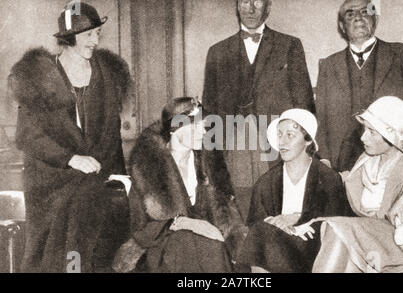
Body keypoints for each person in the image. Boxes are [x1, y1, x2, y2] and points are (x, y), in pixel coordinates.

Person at [9, 2, 131, 272]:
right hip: (52, 182)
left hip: (97, 181)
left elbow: (112, 135)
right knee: (58, 257)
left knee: (101, 247)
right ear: (69, 37)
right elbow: (27, 135)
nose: (96, 41)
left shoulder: (107, 74)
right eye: (89, 35)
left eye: (98, 34)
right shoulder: (39, 77)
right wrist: (71, 159)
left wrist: (120, 176)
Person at [202, 0, 314, 221]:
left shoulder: (289, 46)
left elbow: (304, 104)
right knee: (239, 211)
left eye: (257, 2)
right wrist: (212, 159)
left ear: (268, 8)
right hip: (233, 146)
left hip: (276, 143)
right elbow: (209, 110)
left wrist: (304, 149)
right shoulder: (217, 51)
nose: (251, 8)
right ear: (237, 6)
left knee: (275, 208)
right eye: (245, 1)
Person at [311, 96, 403, 273]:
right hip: (378, 236)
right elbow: (338, 186)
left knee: (337, 228)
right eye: (364, 129)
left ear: (390, 135)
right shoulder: (365, 161)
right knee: (345, 255)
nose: (363, 137)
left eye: (371, 131)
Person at [112, 97, 246, 273]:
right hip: (162, 247)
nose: (203, 132)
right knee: (192, 242)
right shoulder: (149, 168)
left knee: (211, 246)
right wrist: (184, 223)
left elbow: (228, 216)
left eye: (204, 126)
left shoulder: (208, 164)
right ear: (176, 128)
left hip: (210, 244)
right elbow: (141, 229)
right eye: (195, 126)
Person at [315, 0, 403, 172]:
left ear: (375, 19)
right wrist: (324, 159)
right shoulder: (329, 65)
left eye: (364, 12)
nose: (358, 17)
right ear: (342, 26)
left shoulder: (402, 55)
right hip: (343, 165)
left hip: (394, 161)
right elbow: (320, 117)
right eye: (350, 14)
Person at [237, 109, 352, 273]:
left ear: (307, 141)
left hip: (313, 250)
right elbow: (255, 220)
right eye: (280, 134)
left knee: (262, 238)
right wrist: (274, 223)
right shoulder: (267, 181)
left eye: (290, 135)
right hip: (275, 245)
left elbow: (338, 222)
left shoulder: (328, 178)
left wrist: (298, 219)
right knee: (260, 233)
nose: (282, 142)